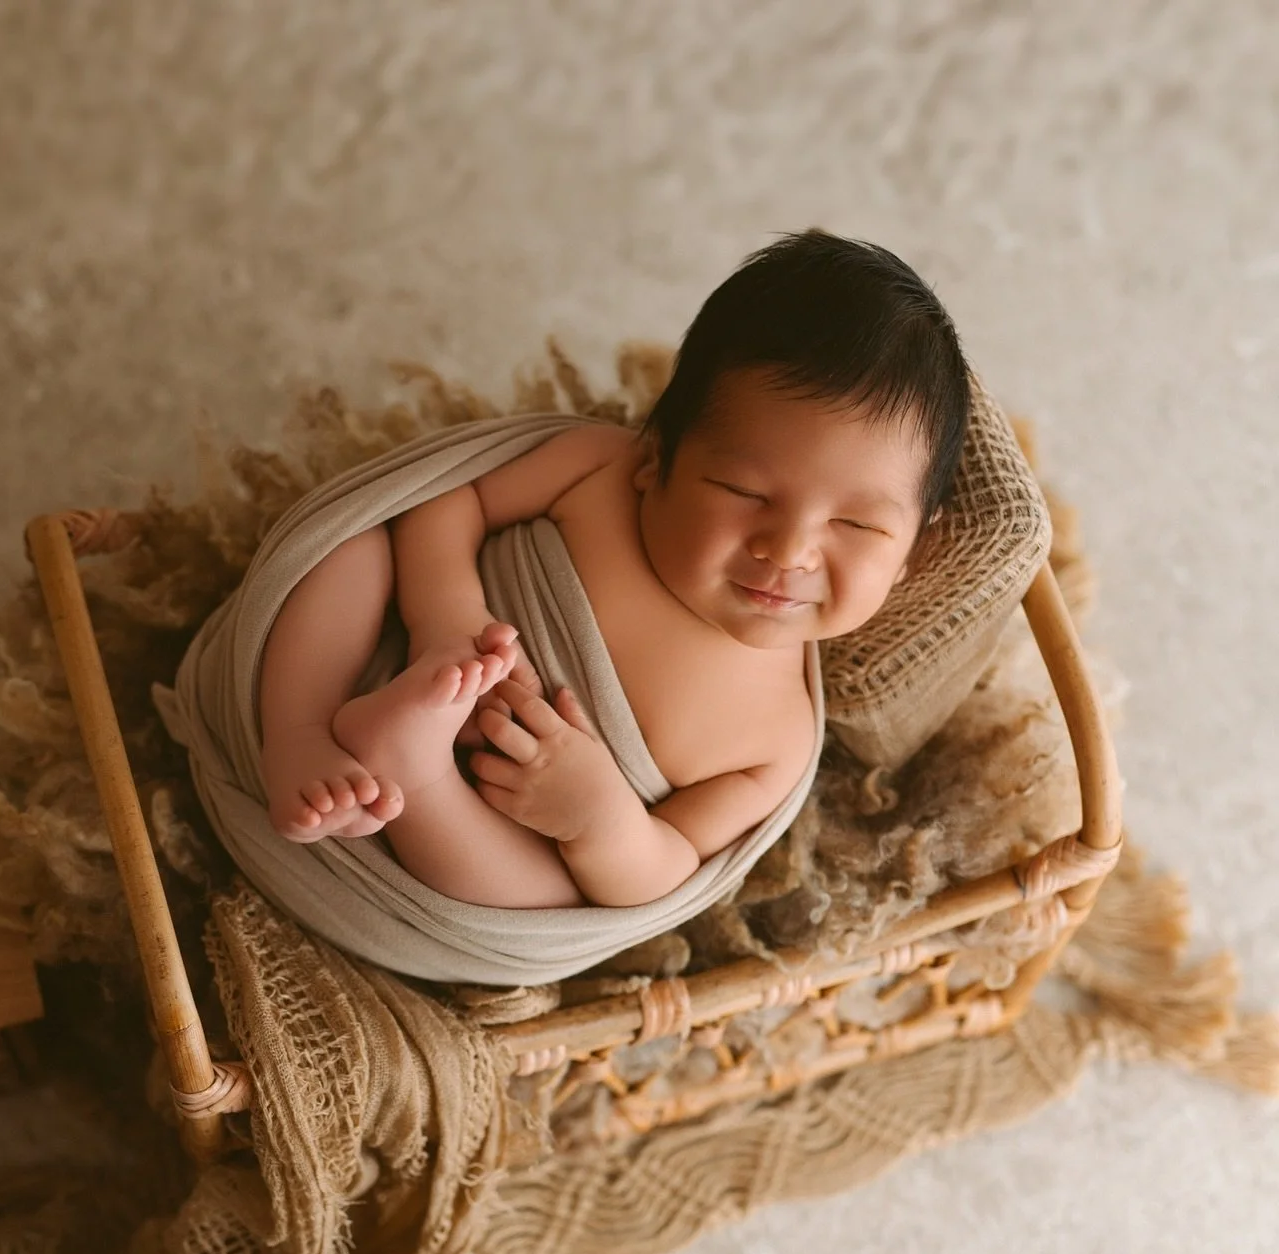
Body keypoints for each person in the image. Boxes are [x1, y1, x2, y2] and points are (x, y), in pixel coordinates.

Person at [257, 229, 970, 911]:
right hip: (375, 662)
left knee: (546, 893)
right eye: (744, 492)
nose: (788, 551)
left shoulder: (780, 739)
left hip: (459, 831)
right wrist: (444, 618)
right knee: (355, 542)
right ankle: (297, 733)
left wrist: (600, 820)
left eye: (857, 525)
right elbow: (450, 497)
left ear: (912, 553)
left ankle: (415, 768)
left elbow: (665, 870)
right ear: (658, 457)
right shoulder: (600, 471)